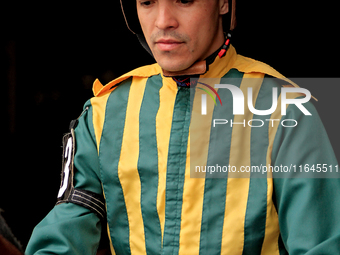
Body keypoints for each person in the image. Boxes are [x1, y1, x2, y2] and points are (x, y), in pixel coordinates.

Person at [26, 0, 340, 254]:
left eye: (184, 0)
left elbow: (323, 244)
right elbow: (66, 231)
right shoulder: (103, 113)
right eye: (147, 2)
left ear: (223, 4)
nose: (163, 21)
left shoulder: (287, 108)